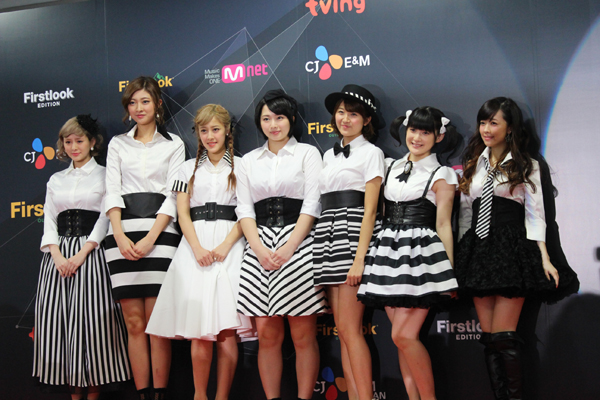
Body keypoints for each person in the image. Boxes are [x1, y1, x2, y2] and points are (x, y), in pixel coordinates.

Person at [455, 97, 579, 400]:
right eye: (482, 122)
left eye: (493, 123)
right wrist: (462, 254)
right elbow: (467, 213)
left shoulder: (527, 165)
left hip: (511, 249)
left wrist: (545, 257)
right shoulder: (474, 163)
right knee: (489, 338)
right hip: (478, 250)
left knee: (504, 336)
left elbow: (536, 215)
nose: (486, 129)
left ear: (509, 128)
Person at [146, 104, 255, 400]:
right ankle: (199, 395)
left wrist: (226, 245)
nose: (210, 136)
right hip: (194, 248)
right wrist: (196, 248)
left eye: (215, 129)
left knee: (226, 328)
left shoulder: (242, 166)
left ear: (227, 130)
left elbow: (246, 211)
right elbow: (182, 212)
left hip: (231, 247)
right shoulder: (186, 169)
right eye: (203, 130)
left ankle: (222, 397)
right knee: (199, 328)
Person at [358, 107, 461, 400]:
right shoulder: (389, 166)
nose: (417, 137)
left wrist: (448, 273)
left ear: (438, 136)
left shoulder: (442, 174)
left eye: (426, 132)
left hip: (421, 259)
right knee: (403, 340)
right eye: (413, 130)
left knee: (402, 336)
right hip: (387, 255)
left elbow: (444, 224)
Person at [236, 89, 327, 400]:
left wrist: (289, 247)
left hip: (300, 245)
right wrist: (259, 249)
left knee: (303, 337)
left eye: (279, 118)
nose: (273, 125)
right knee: (267, 336)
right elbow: (244, 209)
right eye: (266, 119)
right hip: (258, 247)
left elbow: (312, 204)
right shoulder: (248, 161)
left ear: (291, 119)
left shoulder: (307, 154)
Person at [33, 115, 131, 400]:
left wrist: (82, 253)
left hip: (92, 255)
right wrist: (56, 254)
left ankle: (94, 393)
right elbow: (49, 219)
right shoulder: (56, 179)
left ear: (92, 142)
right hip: (57, 260)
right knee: (59, 324)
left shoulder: (105, 175)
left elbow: (105, 217)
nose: (74, 147)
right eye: (68, 141)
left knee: (93, 326)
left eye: (79, 140)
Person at [104, 76, 185, 400]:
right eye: (133, 102)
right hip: (121, 235)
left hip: (160, 235)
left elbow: (173, 194)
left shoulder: (174, 144)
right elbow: (111, 190)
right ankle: (142, 393)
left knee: (156, 322)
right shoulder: (117, 144)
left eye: (145, 101)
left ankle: (160, 393)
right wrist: (119, 235)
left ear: (158, 104)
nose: (139, 108)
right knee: (134, 323)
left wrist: (152, 236)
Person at [313, 84, 384, 400]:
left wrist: (360, 259)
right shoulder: (327, 154)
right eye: (341, 112)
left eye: (353, 114)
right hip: (327, 236)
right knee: (342, 330)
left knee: (352, 329)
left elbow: (370, 210)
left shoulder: (372, 153)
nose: (345, 119)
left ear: (366, 120)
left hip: (354, 235)